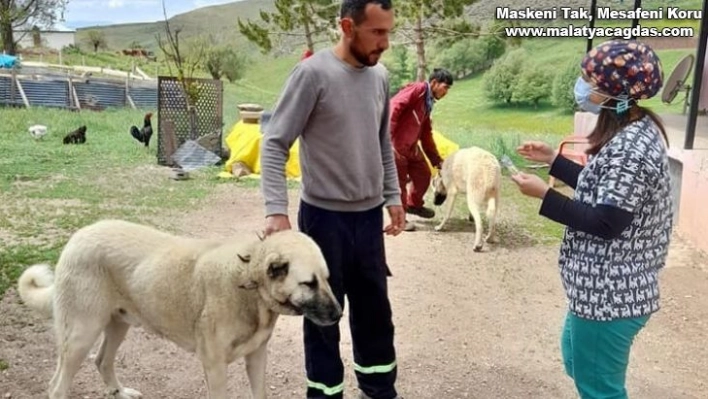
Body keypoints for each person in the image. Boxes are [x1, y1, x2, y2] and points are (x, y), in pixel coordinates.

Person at [510, 39, 672, 399]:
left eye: (590, 79)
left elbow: (606, 222)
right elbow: (608, 192)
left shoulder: (631, 149)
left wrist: (545, 195)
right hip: (597, 292)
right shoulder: (629, 132)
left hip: (611, 296)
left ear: (614, 92)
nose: (583, 85)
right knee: (576, 361)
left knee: (600, 390)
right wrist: (554, 160)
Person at [259, 1, 404, 398]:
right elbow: (274, 143)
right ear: (347, 26)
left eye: (388, 32)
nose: (385, 43)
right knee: (322, 313)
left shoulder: (380, 77)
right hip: (324, 220)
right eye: (377, 32)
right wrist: (276, 211)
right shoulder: (312, 75)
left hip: (368, 218)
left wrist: (392, 195)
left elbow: (382, 143)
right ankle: (324, 393)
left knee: (375, 310)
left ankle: (378, 389)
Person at [389, 68, 454, 231]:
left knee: (424, 174)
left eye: (448, 89)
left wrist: (437, 161)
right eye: (445, 87)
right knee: (400, 183)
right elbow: (393, 107)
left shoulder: (427, 103)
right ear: (434, 83)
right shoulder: (417, 90)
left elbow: (426, 134)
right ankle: (400, 219)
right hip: (395, 145)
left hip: (411, 146)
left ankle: (413, 205)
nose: (446, 92)